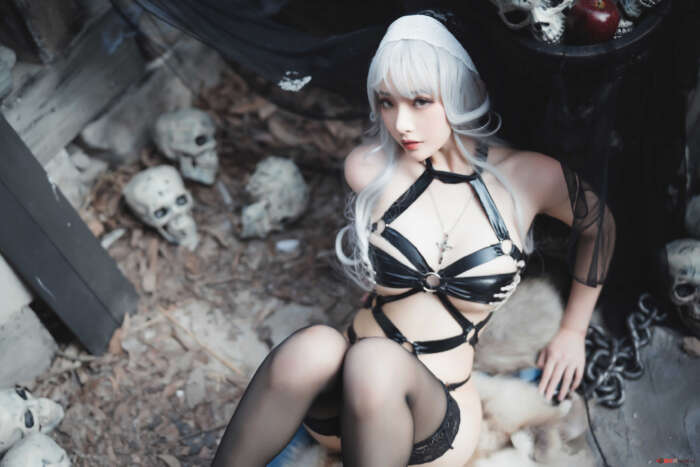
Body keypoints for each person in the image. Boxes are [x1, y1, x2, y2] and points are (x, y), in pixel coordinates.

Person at [212, 13, 615, 467]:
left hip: (434, 420)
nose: (401, 123)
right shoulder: (370, 170)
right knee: (312, 346)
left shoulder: (531, 178)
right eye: (387, 103)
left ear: (465, 93)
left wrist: (573, 330)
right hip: (341, 407)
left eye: (421, 101)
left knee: (375, 364)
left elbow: (601, 228)